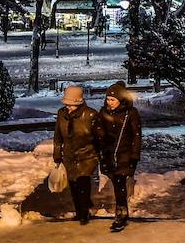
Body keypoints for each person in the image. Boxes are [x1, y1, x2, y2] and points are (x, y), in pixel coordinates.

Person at [98, 81, 142, 232]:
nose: (109, 103)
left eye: (112, 100)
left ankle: (121, 214)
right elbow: (99, 131)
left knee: (120, 184)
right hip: (109, 154)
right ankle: (122, 212)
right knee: (117, 184)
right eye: (107, 99)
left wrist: (134, 156)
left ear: (120, 100)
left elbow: (136, 136)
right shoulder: (104, 112)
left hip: (124, 154)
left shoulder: (131, 113)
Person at [53, 85, 99, 225]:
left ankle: (83, 213)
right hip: (69, 156)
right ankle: (79, 211)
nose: (68, 107)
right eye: (66, 104)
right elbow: (58, 136)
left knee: (83, 183)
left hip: (87, 156)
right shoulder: (62, 114)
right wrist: (57, 154)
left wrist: (99, 155)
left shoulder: (91, 115)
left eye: (71, 105)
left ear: (79, 102)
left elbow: (98, 137)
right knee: (73, 185)